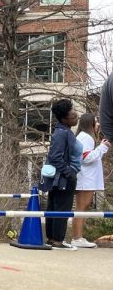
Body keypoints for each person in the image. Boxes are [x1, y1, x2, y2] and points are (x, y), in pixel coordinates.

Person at [39, 99, 81, 249]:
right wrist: (69, 173)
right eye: (72, 114)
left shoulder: (63, 131)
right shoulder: (62, 133)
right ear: (63, 118)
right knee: (61, 208)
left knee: (54, 206)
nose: (75, 115)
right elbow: (55, 157)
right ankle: (57, 240)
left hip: (59, 177)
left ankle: (52, 239)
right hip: (62, 178)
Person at [72, 113, 109, 248]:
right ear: (89, 123)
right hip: (85, 178)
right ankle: (77, 238)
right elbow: (86, 157)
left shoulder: (85, 137)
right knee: (82, 207)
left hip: (87, 178)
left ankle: (78, 237)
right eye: (96, 121)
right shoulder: (86, 137)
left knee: (83, 207)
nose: (98, 124)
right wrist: (102, 147)